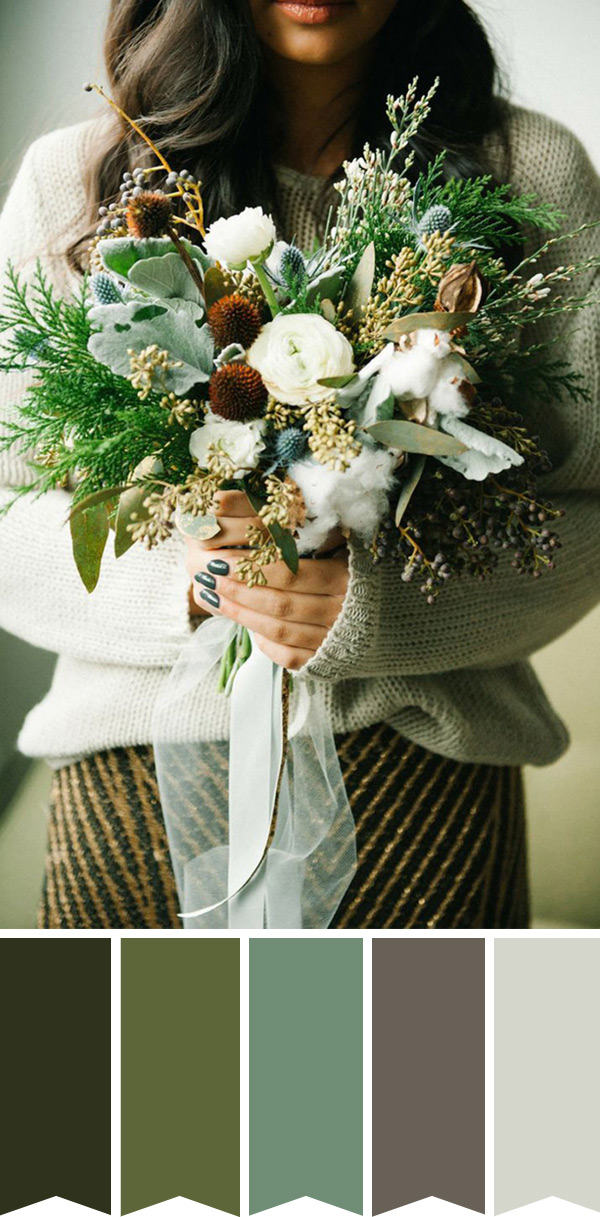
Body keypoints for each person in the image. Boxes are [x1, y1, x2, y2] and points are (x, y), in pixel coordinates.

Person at [0, 0, 598, 929]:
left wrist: (376, 605)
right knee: (138, 1081)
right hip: (135, 778)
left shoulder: (530, 174)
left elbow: (587, 503)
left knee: (424, 1083)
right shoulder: (78, 182)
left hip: (429, 780)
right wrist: (199, 582)